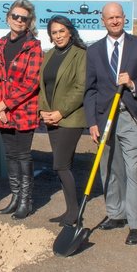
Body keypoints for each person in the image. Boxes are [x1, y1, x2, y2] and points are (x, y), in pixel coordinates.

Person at [85, 2, 137, 245]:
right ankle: (115, 213)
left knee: (133, 170)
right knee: (109, 169)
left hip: (130, 115)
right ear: (103, 21)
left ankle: (135, 222)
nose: (115, 21)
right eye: (110, 18)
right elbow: (90, 90)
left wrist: (134, 83)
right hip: (105, 118)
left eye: (118, 17)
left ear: (124, 18)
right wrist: (92, 123)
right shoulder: (94, 50)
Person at [0, 0, 43, 220]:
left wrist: (6, 104)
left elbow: (31, 82)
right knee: (10, 155)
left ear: (29, 22)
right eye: (15, 17)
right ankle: (15, 196)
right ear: (8, 18)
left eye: (24, 18)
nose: (19, 21)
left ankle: (26, 201)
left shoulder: (34, 47)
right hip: (2, 111)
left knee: (23, 154)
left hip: (23, 110)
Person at [38, 15, 87, 226]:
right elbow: (43, 85)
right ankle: (70, 210)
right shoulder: (49, 55)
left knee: (60, 165)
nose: (58, 36)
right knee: (63, 165)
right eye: (54, 32)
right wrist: (44, 111)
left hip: (70, 118)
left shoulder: (81, 54)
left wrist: (61, 112)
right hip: (51, 118)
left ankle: (74, 213)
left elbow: (81, 87)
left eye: (61, 31)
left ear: (70, 31)